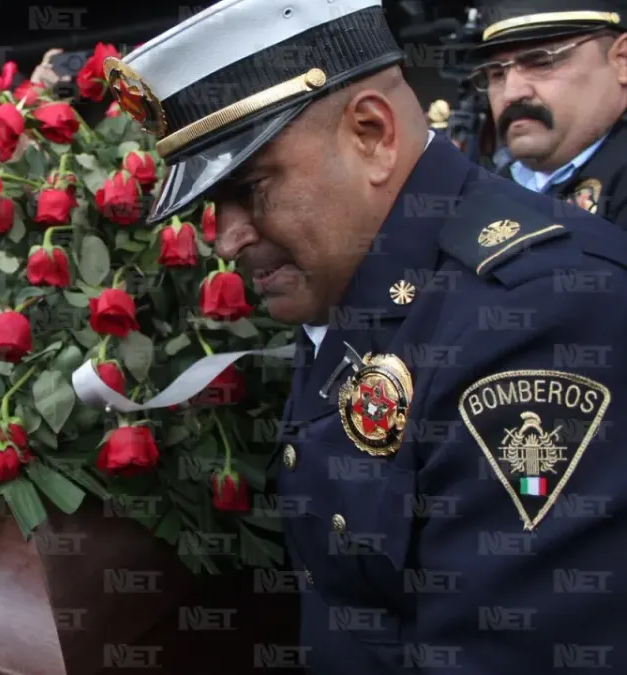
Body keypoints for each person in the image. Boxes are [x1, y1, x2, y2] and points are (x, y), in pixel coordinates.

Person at [112, 0, 627, 672]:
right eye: (213, 205)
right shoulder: (358, 269)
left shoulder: (538, 315)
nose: (226, 237)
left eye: (251, 187)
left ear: (372, 134)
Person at [471, 0, 627, 226]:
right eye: (496, 75)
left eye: (542, 63)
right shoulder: (487, 188)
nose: (511, 93)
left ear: (622, 61)